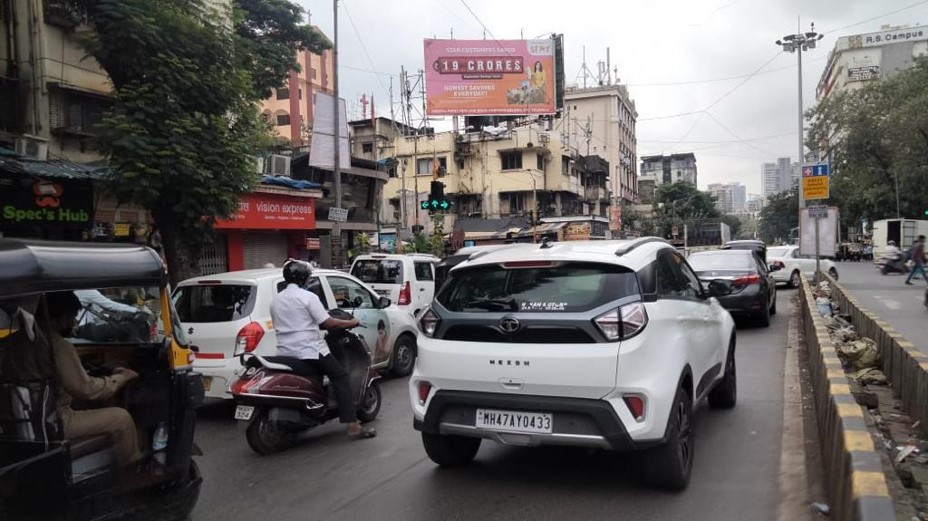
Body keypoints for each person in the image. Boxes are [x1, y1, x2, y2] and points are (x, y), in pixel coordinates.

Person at [270, 260, 376, 439]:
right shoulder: (308, 297)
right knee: (340, 376)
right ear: (303, 278)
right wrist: (352, 322)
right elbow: (328, 323)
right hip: (309, 350)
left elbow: (294, 324)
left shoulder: (276, 301)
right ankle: (352, 426)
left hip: (285, 352)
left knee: (318, 375)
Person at [44, 291, 143, 466]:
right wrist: (121, 378)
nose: (74, 323)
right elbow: (87, 390)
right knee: (122, 418)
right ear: (60, 318)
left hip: (25, 420)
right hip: (58, 421)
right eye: (72, 317)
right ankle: (131, 470)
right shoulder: (59, 347)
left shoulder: (12, 344)